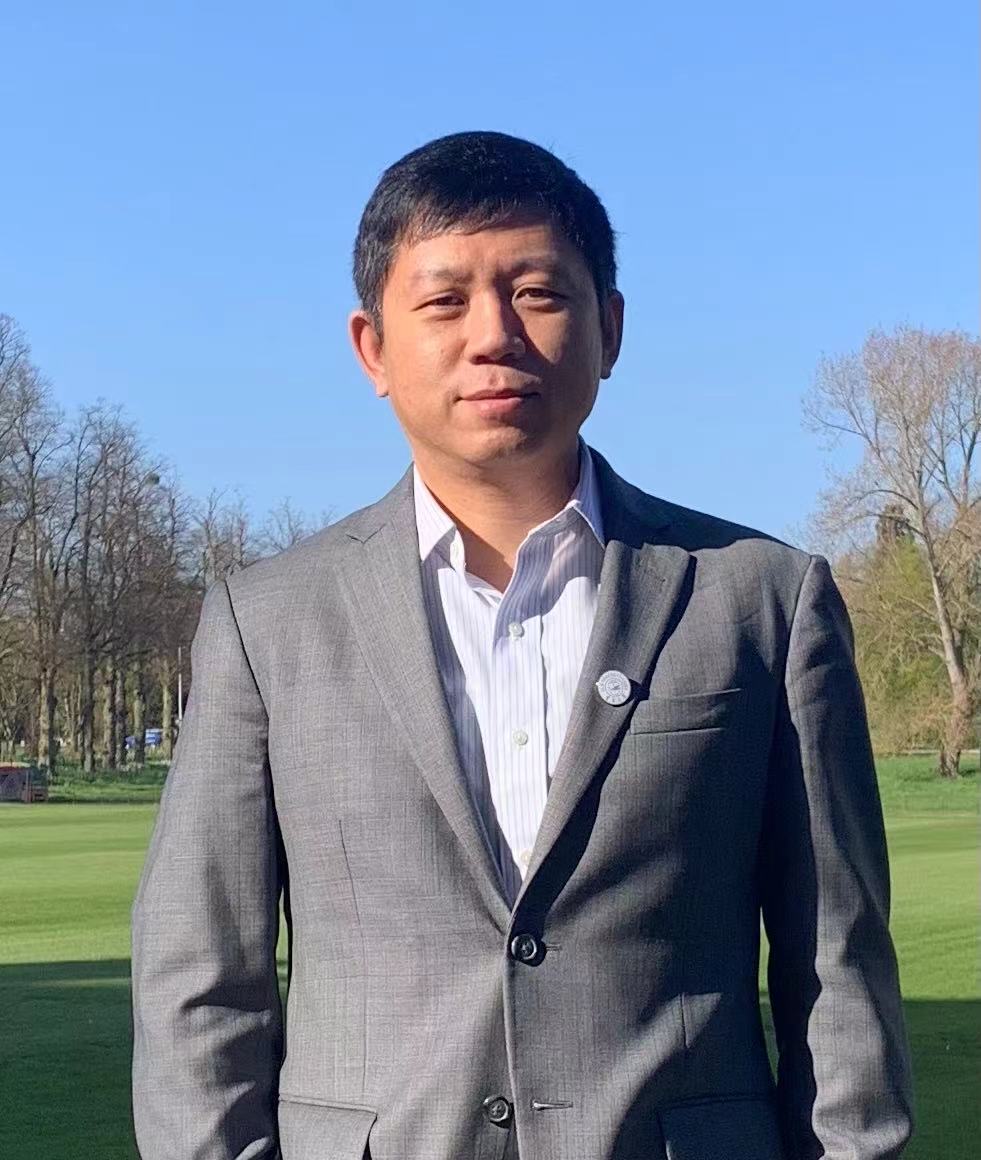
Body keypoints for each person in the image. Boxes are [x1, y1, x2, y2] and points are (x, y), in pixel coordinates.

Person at [131, 130, 914, 1160]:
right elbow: (200, 978)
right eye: (444, 301)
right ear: (372, 347)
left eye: (537, 293)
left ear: (610, 327)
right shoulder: (267, 620)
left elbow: (837, 964)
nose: (493, 335)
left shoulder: (760, 598)